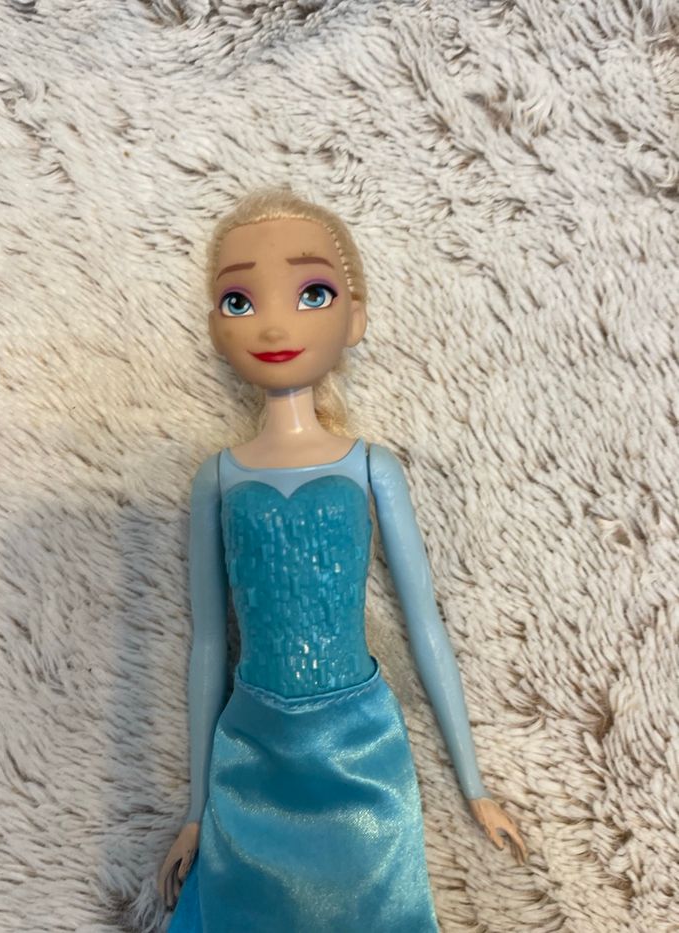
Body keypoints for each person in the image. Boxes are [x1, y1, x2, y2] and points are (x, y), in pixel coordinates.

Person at [157, 187, 527, 931]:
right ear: (216, 329)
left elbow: (425, 624)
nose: (273, 324)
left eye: (313, 294)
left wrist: (475, 784)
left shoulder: (369, 466)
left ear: (354, 317)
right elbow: (208, 643)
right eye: (238, 301)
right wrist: (195, 811)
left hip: (358, 743)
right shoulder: (217, 476)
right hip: (253, 744)